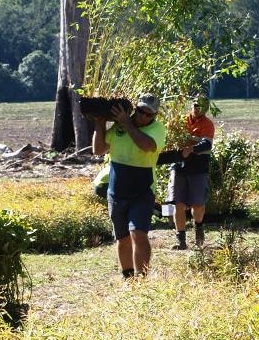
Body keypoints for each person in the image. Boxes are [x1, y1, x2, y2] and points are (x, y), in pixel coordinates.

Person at [92, 93, 166, 278]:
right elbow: (98, 149)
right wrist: (100, 124)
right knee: (123, 238)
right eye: (140, 111)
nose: (143, 116)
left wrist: (128, 124)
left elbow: (146, 146)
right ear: (136, 108)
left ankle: (142, 279)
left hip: (143, 190)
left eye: (148, 114)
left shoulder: (157, 129)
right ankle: (128, 277)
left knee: (138, 233)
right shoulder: (120, 126)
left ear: (155, 116)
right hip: (117, 191)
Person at [169, 95, 215, 250]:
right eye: (196, 105)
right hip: (179, 166)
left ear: (206, 108)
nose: (197, 108)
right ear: (191, 105)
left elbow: (206, 144)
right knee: (178, 203)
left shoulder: (208, 124)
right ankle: (180, 240)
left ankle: (199, 227)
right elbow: (171, 139)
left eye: (201, 106)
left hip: (198, 168)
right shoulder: (180, 121)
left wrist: (191, 147)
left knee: (198, 204)